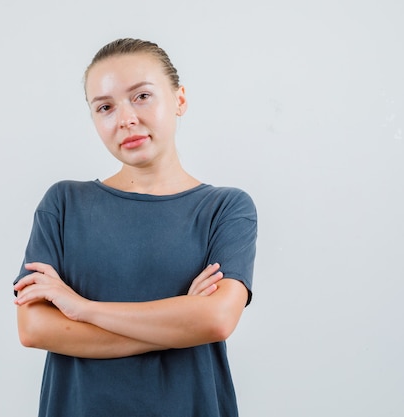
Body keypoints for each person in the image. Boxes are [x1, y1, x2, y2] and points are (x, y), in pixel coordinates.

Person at [13, 38, 257, 417]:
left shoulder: (225, 209)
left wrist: (81, 309)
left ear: (179, 99)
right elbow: (33, 329)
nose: (125, 118)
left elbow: (216, 319)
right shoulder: (63, 204)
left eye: (141, 96)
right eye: (105, 107)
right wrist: (179, 325)